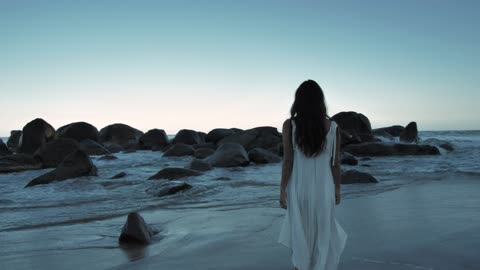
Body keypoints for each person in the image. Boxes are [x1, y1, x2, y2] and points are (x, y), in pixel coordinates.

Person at [278, 80, 347, 270]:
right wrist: (337, 188)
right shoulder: (333, 127)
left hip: (298, 188)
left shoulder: (290, 125)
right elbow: (336, 162)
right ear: (320, 101)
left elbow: (288, 161)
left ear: (298, 101)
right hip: (324, 188)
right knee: (322, 234)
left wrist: (282, 189)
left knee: (300, 235)